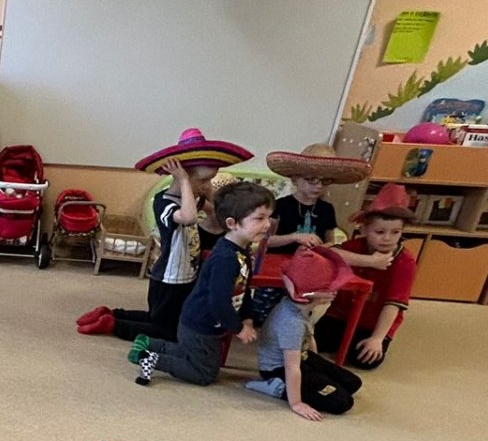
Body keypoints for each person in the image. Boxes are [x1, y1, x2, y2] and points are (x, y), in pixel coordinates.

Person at [78, 127, 252, 340]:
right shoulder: (164, 202)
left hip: (186, 276)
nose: (207, 186)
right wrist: (185, 181)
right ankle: (113, 324)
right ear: (181, 177)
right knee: (167, 331)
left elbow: (219, 214)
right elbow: (188, 217)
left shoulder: (194, 199)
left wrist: (207, 192)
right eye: (204, 180)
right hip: (169, 278)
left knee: (163, 320)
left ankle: (112, 313)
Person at [133, 179, 275, 388]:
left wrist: (247, 317)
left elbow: (243, 289)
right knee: (205, 373)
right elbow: (218, 302)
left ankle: (150, 343)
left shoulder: (241, 250)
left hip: (209, 324)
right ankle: (152, 359)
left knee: (199, 358)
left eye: (269, 217)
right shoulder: (225, 258)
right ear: (232, 223)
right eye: (259, 218)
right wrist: (238, 328)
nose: (268, 224)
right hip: (200, 324)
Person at [244, 244, 362, 420]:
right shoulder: (292, 322)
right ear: (310, 294)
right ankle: (276, 387)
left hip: (303, 357)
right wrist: (296, 403)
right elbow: (292, 367)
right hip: (278, 369)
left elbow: (309, 336)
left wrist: (317, 368)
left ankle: (309, 381)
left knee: (353, 383)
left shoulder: (302, 307)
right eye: (330, 287)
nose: (335, 291)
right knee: (343, 402)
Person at [315, 183, 419, 369]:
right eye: (379, 232)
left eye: (395, 232)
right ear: (364, 230)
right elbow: (327, 253)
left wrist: (377, 338)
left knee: (364, 359)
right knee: (315, 343)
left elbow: (393, 305)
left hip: (372, 323)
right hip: (340, 315)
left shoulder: (405, 262)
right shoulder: (355, 246)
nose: (387, 238)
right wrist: (370, 261)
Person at [261, 143, 387, 272]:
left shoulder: (327, 209)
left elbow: (330, 242)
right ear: (295, 180)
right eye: (311, 179)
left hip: (311, 266)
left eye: (325, 181)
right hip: (277, 265)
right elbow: (265, 241)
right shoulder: (279, 205)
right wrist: (294, 237)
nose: (319, 186)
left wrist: (320, 248)